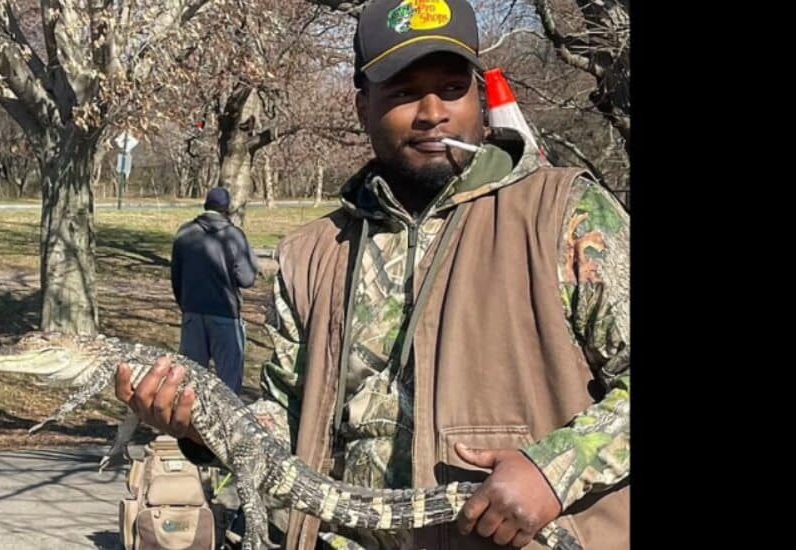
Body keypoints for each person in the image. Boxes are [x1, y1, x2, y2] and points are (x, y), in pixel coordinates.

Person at [116, 0, 629, 548]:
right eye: (405, 92)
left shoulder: (564, 214)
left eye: (452, 87)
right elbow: (286, 420)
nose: (433, 111)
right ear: (363, 107)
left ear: (480, 96)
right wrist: (204, 428)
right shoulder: (312, 253)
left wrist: (554, 468)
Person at [168, 186, 259, 394]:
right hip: (225, 315)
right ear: (227, 209)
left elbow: (176, 277)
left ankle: (190, 424)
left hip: (192, 314)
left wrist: (186, 305)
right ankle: (223, 425)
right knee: (228, 386)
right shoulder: (234, 236)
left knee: (190, 383)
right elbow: (247, 278)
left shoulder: (185, 232)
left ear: (205, 205)